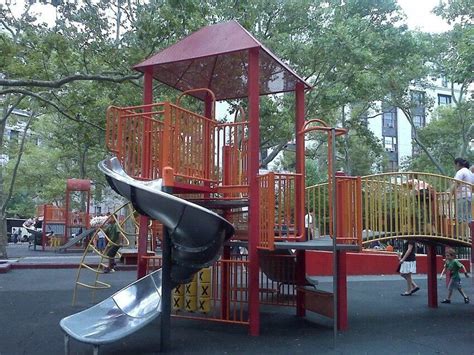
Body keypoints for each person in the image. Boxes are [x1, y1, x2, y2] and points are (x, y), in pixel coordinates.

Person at [449, 158, 474, 225]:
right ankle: (467, 234)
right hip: (469, 197)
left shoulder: (461, 171)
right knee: (467, 218)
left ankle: (462, 235)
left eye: (454, 165)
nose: (454, 167)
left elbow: (455, 184)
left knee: (461, 219)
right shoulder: (470, 173)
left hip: (462, 197)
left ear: (458, 164)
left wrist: (449, 197)